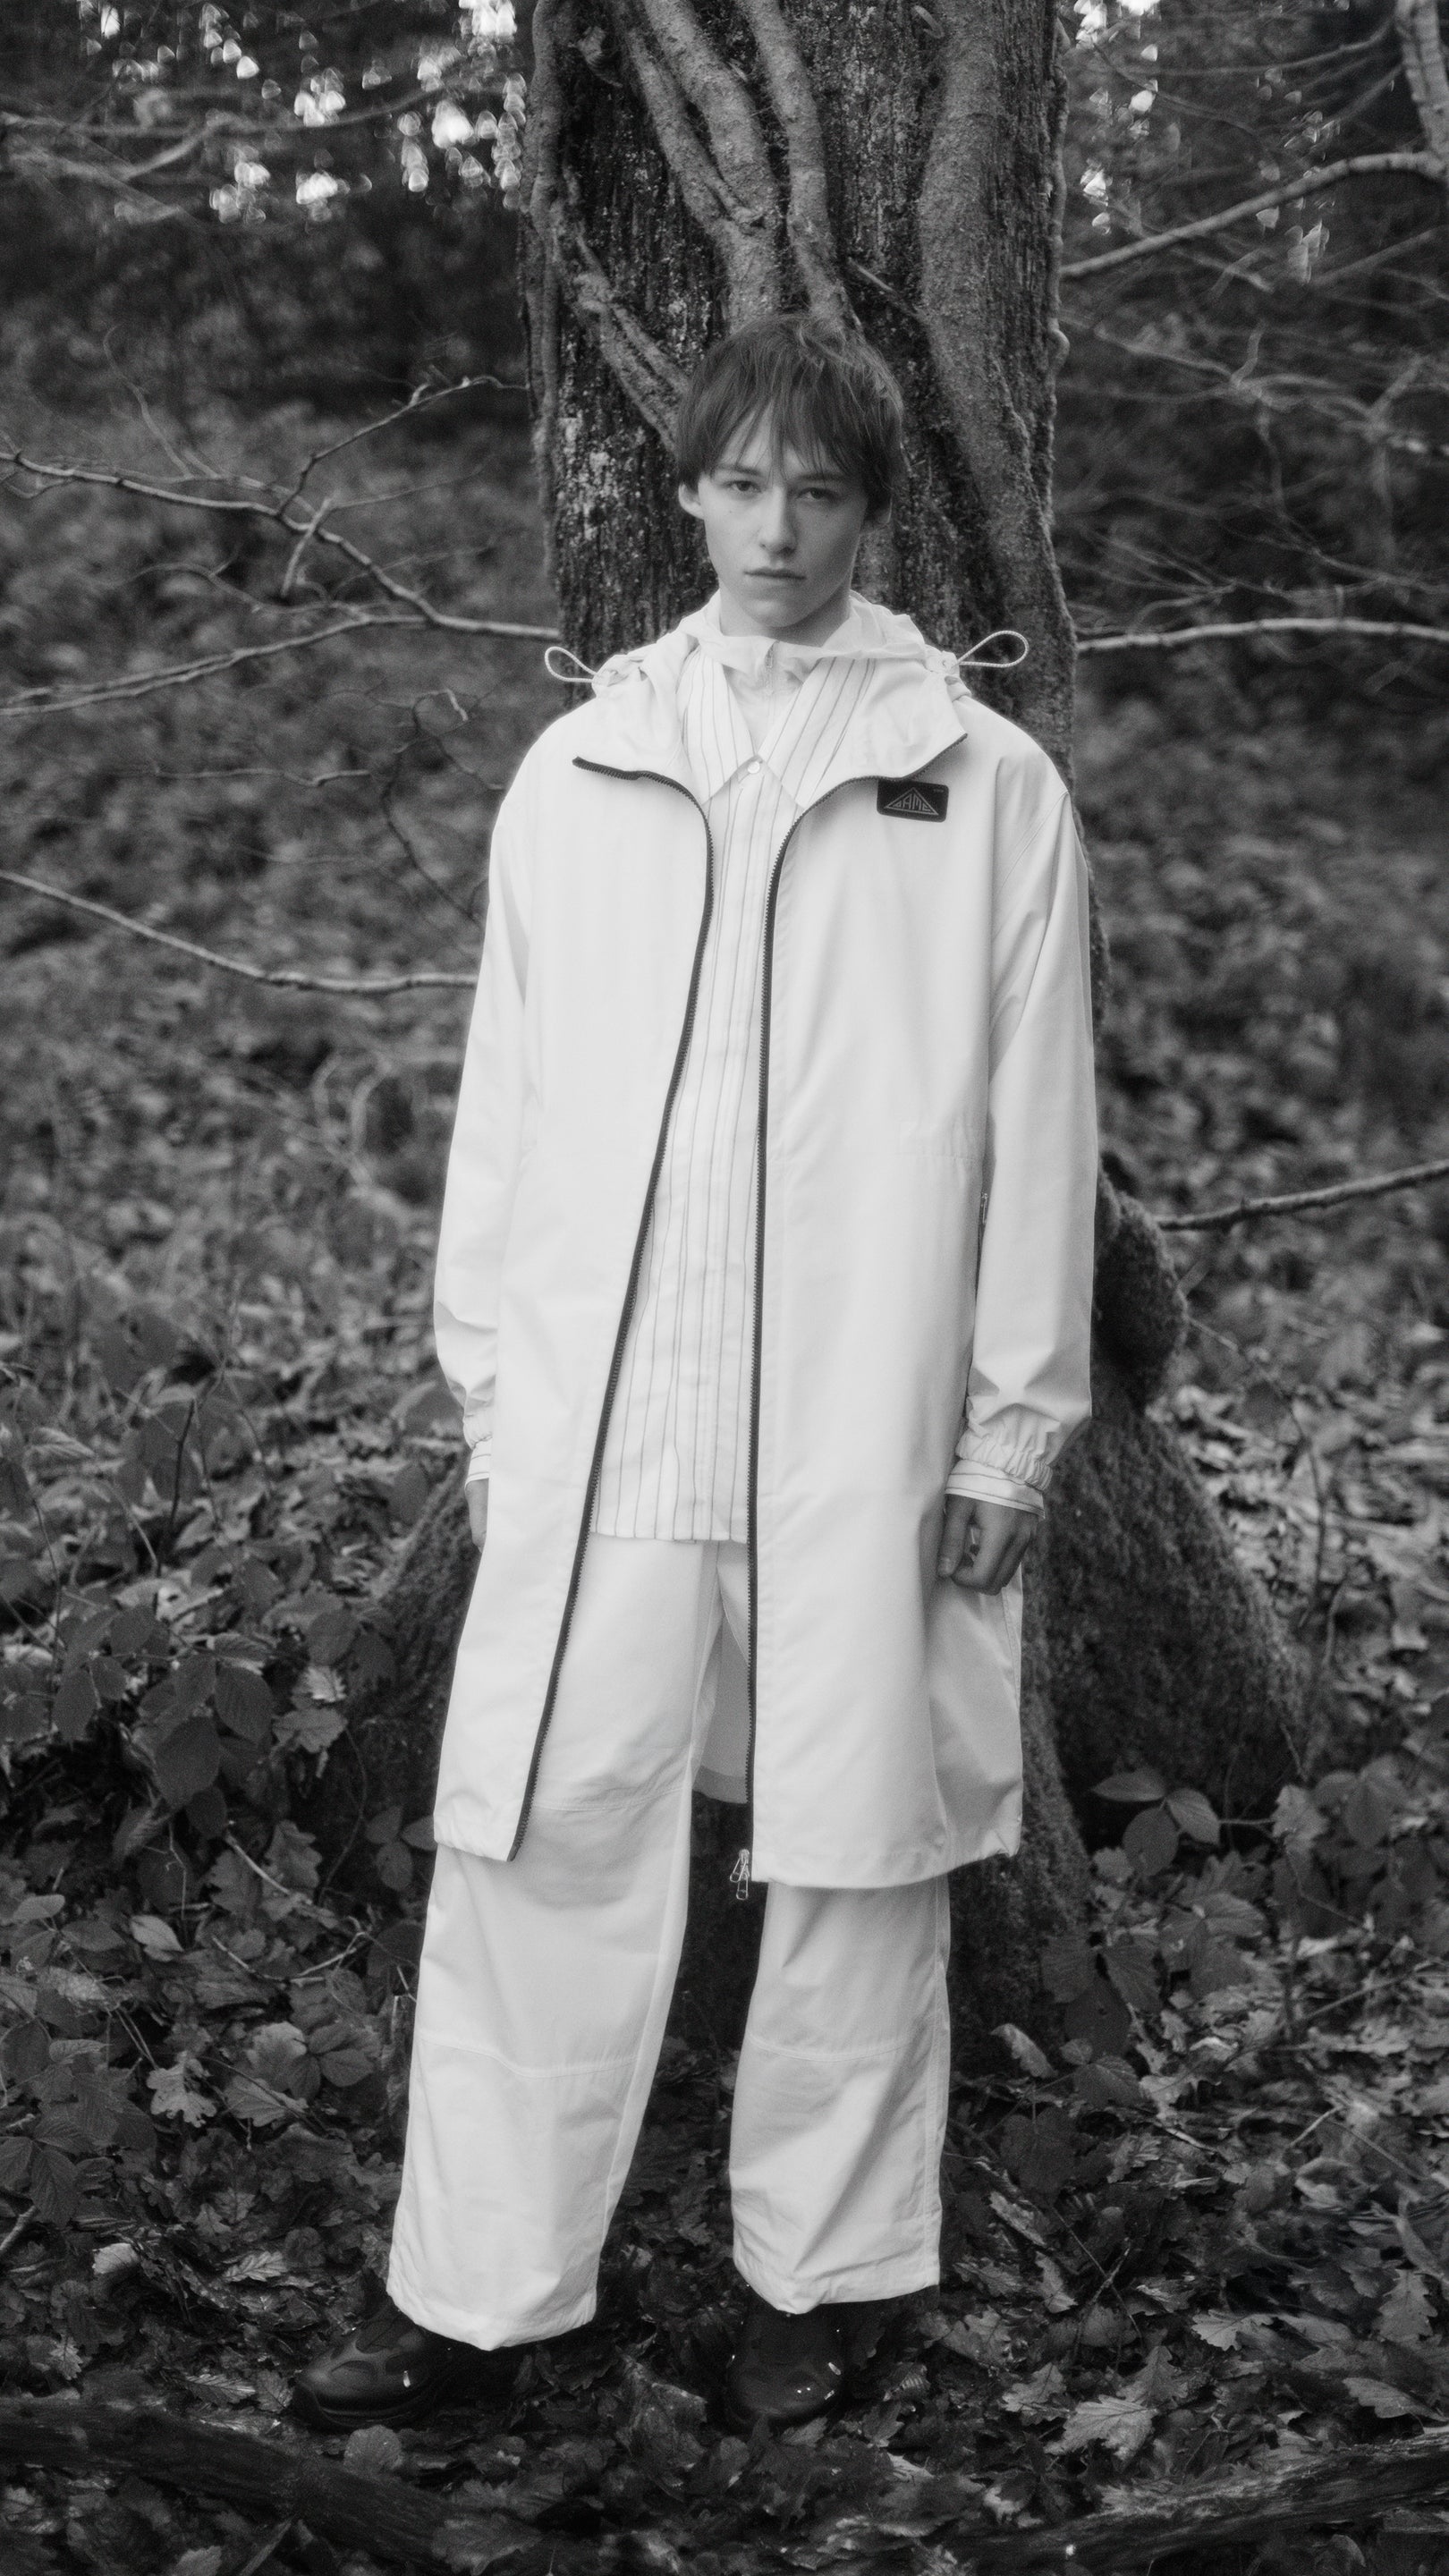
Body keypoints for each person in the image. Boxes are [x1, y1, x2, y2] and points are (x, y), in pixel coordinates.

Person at [293, 315, 1097, 2438]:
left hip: (863, 1435)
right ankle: (483, 2297)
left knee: (856, 1859)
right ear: (685, 495)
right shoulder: (583, 771)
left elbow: (1038, 1132)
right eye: (741, 483)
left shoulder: (982, 786)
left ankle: (822, 2284)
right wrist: (495, 1394)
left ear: (871, 511)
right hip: (614, 1431)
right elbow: (505, 1107)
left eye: (817, 490)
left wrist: (1013, 1431)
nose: (776, 527)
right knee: (541, 1839)